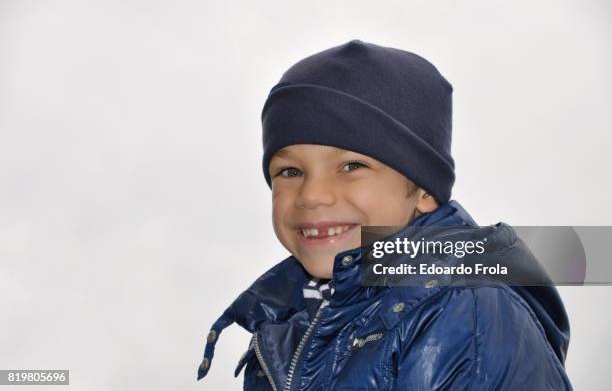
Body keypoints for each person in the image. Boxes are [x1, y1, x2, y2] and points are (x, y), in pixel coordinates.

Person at [196, 39, 573, 390]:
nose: (312, 195)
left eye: (351, 165)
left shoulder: (464, 316)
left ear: (424, 190)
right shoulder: (296, 311)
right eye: (290, 172)